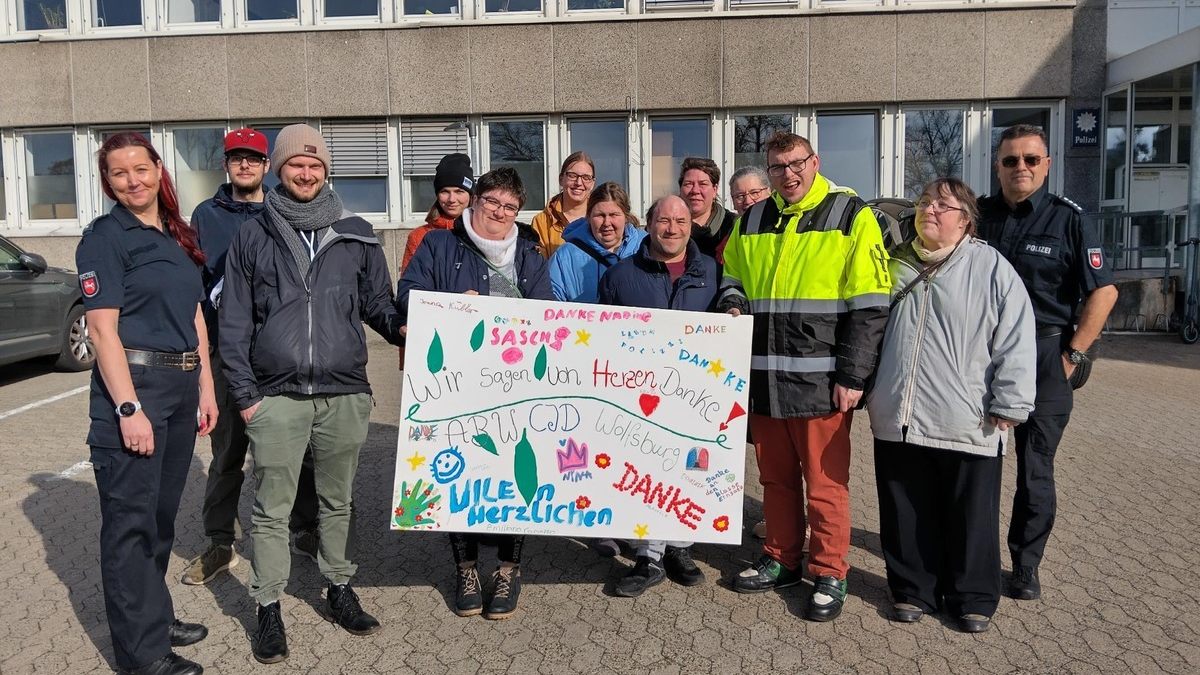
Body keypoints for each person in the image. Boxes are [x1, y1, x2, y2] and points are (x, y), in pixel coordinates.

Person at [220, 124, 404, 664]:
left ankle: (339, 587)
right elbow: (232, 326)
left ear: (327, 172)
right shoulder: (253, 235)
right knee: (272, 508)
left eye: (316, 165)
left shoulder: (358, 233)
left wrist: (415, 326)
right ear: (280, 170)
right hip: (276, 397)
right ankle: (267, 605)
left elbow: (380, 306)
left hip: (344, 394)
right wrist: (248, 399)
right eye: (296, 164)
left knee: (337, 501)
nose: (306, 173)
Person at [718, 130, 891, 623]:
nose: (787, 175)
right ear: (767, 170)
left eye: (796, 164)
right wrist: (732, 301)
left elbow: (870, 304)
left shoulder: (851, 215)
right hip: (764, 378)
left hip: (822, 381)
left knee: (825, 485)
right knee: (775, 480)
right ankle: (780, 558)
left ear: (815, 161)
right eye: (777, 167)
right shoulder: (752, 218)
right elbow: (731, 275)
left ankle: (830, 571)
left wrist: (854, 374)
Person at [867, 178, 1036, 633]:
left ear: (966, 220)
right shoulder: (894, 264)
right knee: (905, 510)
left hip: (967, 418)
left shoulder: (991, 268)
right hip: (898, 414)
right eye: (925, 203)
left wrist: (1012, 402)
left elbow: (1017, 338)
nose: (930, 211)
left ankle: (973, 595)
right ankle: (911, 589)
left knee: (970, 514)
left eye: (944, 205)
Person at [76, 132, 217, 675]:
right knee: (131, 524)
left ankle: (154, 617)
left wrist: (205, 387)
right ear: (108, 182)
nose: (132, 180)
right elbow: (102, 331)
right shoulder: (105, 239)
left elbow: (195, 316)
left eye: (140, 167)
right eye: (118, 173)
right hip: (136, 388)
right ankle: (142, 655)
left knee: (160, 519)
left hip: (181, 389)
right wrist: (128, 409)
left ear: (159, 169)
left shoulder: (176, 235)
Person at [398, 167, 553, 620]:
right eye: (492, 203)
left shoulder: (528, 252)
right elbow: (406, 296)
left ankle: (508, 568)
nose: (501, 213)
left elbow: (545, 312)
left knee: (516, 469)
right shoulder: (440, 244)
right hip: (457, 385)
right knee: (460, 473)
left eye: (510, 207)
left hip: (516, 385)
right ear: (474, 201)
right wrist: (451, 304)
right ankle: (465, 567)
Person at [976, 124, 1118, 601]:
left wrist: (1073, 354)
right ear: (997, 165)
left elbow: (1104, 291)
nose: (1021, 168)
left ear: (1047, 164)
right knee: (973, 464)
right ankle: (969, 557)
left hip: (1045, 353)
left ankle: (1024, 565)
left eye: (1031, 160)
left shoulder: (1070, 220)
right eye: (1011, 160)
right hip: (981, 355)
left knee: (1035, 471)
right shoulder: (977, 216)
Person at [182, 128, 321, 587]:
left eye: (254, 159)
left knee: (297, 449)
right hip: (228, 351)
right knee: (227, 451)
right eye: (236, 158)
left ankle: (303, 529)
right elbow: (196, 288)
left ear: (268, 165)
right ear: (226, 165)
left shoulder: (284, 210)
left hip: (282, 352)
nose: (245, 165)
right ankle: (220, 541)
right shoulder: (206, 215)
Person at [597, 194, 718, 597]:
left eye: (681, 221)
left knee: (691, 467)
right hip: (639, 398)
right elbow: (604, 339)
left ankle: (679, 548)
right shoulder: (620, 276)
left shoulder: (712, 273)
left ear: (691, 226)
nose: (672, 228)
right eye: (664, 221)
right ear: (648, 225)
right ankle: (648, 556)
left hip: (694, 396)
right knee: (646, 470)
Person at [726, 165, 777, 542]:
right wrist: (732, 303)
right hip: (747, 358)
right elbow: (734, 278)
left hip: (785, 358)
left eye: (754, 193)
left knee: (790, 456)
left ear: (769, 192)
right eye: (739, 196)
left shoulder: (779, 229)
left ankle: (798, 524)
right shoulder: (740, 232)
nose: (747, 201)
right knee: (765, 451)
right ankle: (779, 520)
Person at [547, 182, 646, 303]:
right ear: (588, 217)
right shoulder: (564, 257)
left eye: (614, 215)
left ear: (626, 216)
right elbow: (550, 305)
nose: (607, 223)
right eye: (600, 215)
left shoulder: (647, 247)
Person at [400, 153, 473, 273]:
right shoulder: (418, 236)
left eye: (459, 191)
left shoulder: (482, 232)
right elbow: (409, 284)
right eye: (445, 191)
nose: (451, 199)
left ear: (471, 195)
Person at [530, 151, 595, 258]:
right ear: (561, 179)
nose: (579, 183)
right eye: (572, 176)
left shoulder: (602, 218)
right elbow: (539, 267)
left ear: (592, 183)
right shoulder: (542, 222)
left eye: (586, 178)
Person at [679, 157, 737, 260]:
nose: (695, 190)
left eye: (703, 184)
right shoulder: (665, 226)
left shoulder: (733, 226)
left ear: (714, 190)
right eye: (688, 184)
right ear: (680, 189)